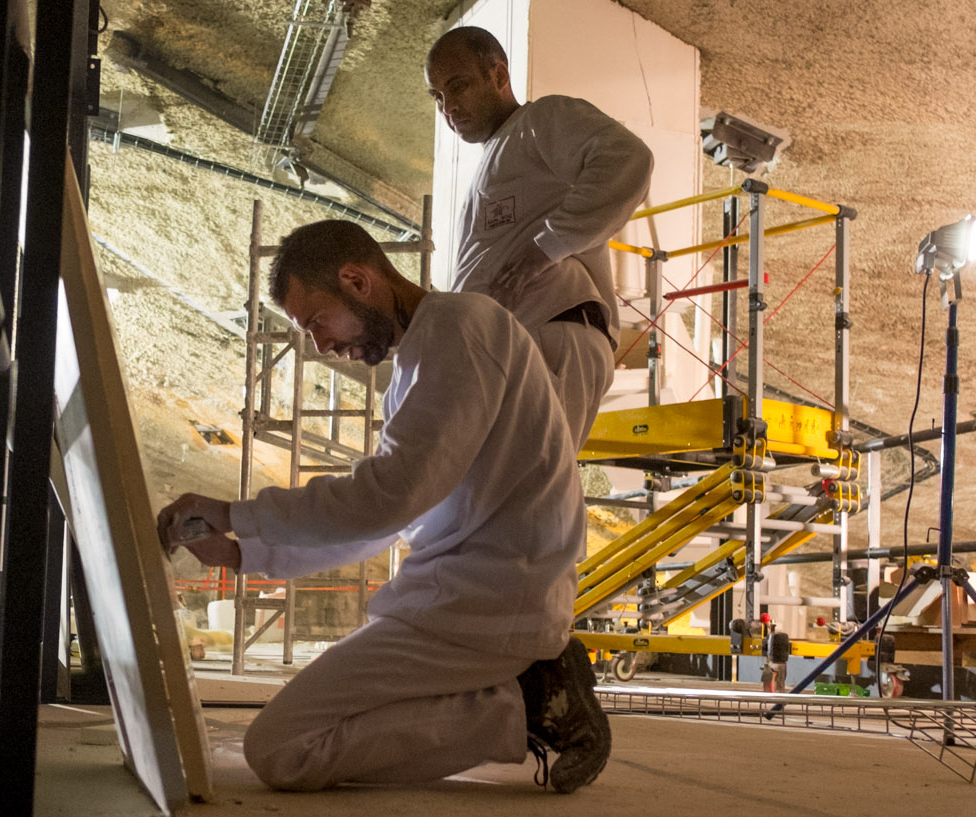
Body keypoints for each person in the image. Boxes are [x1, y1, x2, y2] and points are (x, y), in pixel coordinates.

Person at [157, 220, 611, 793]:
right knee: (297, 739)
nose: (320, 345)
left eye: (316, 321)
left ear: (356, 280)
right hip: (457, 604)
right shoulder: (423, 361)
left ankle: (527, 703)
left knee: (280, 749)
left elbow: (385, 500)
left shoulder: (462, 331)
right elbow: (386, 520)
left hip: (490, 609)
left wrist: (235, 513)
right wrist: (243, 552)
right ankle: (520, 696)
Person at [426, 25, 654, 448]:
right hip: (516, 348)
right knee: (502, 497)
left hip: (552, 334)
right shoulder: (498, 154)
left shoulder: (539, 121)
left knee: (526, 496)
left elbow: (628, 159)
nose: (449, 107)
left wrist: (544, 251)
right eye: (438, 97)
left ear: (499, 76)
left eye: (457, 86)